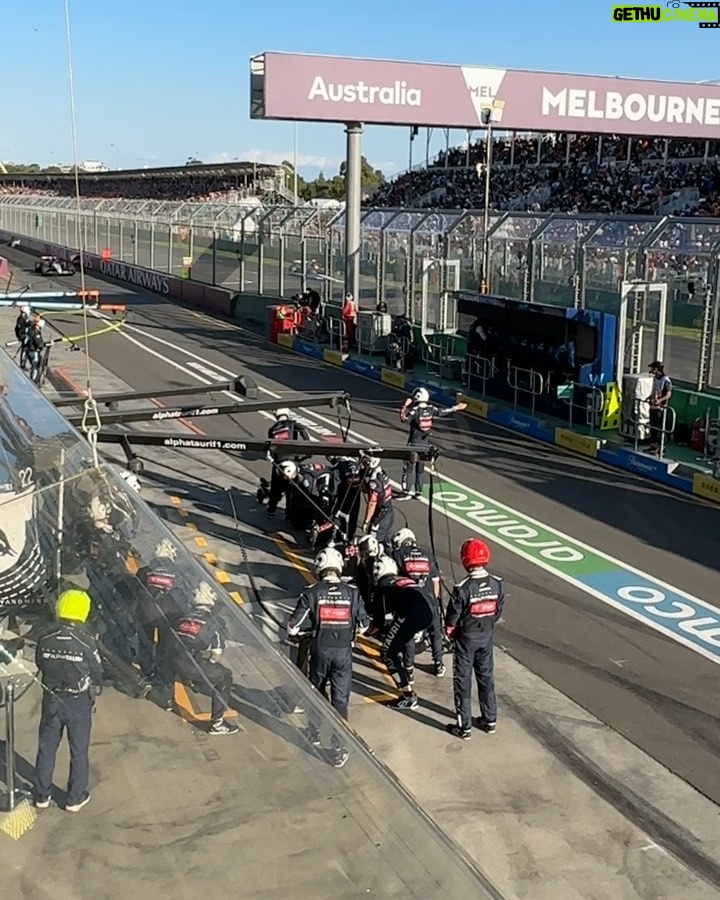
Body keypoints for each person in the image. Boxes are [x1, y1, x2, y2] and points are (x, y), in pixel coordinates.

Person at [286, 547, 369, 768]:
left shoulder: (311, 592)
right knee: (340, 701)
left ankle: (313, 732)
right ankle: (339, 747)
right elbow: (365, 625)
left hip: (320, 650)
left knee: (317, 693)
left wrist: (307, 631)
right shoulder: (352, 592)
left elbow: (292, 627)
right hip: (344, 653)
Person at [34, 588, 104, 812]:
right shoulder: (85, 640)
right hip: (77, 701)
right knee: (78, 751)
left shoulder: (45, 636)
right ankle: (74, 797)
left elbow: (40, 663)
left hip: (52, 698)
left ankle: (41, 795)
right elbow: (97, 670)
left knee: (46, 747)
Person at [444, 538, 505, 740]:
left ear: (465, 559)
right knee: (486, 677)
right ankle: (490, 720)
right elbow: (498, 611)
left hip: (466, 638)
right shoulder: (497, 584)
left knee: (463, 680)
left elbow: (452, 617)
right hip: (486, 635)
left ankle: (465, 726)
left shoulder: (463, 587)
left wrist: (450, 632)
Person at [168, 581, 239, 736]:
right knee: (224, 676)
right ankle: (217, 723)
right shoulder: (215, 622)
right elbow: (215, 656)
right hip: (190, 664)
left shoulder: (183, 617)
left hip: (173, 660)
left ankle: (168, 698)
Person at [374, 556, 436, 711]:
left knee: (387, 653)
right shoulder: (403, 579)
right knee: (399, 638)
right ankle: (409, 669)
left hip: (411, 614)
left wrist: (365, 631)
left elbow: (378, 621)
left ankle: (408, 695)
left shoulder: (383, 586)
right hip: (429, 611)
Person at [391, 528, 445, 677]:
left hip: (410, 601)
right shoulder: (428, 555)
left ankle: (409, 669)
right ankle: (439, 663)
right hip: (429, 599)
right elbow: (435, 582)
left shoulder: (398, 554)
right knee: (436, 632)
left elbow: (394, 580)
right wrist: (433, 601)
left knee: (408, 634)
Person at [399, 387, 466, 498]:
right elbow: (444, 411)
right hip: (425, 444)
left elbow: (404, 419)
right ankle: (418, 491)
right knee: (420, 468)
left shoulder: (415, 410)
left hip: (413, 444)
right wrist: (456, 408)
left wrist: (404, 406)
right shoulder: (431, 409)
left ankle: (406, 491)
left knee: (408, 467)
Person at [265, 408, 310, 517]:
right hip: (293, 460)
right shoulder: (293, 424)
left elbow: (271, 447)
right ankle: (289, 513)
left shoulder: (272, 429)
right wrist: (307, 446)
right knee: (292, 488)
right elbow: (303, 430)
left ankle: (271, 509)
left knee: (276, 487)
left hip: (279, 461)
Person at [360, 457, 395, 551]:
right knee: (388, 542)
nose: (364, 465)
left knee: (373, 543)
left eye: (366, 463)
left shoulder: (374, 480)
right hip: (389, 509)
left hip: (380, 515)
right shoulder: (382, 472)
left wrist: (366, 521)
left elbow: (372, 503)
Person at [329, 455, 363, 542]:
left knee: (337, 518)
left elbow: (333, 490)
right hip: (356, 497)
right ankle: (350, 538)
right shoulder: (356, 464)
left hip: (343, 498)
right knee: (353, 518)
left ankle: (336, 539)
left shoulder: (338, 468)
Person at [648, 360, 673, 455]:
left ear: (656, 369)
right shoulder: (655, 379)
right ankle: (653, 446)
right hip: (653, 406)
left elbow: (668, 394)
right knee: (653, 427)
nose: (651, 370)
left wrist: (660, 400)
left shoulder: (666, 380)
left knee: (659, 428)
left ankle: (661, 448)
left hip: (661, 408)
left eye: (652, 368)